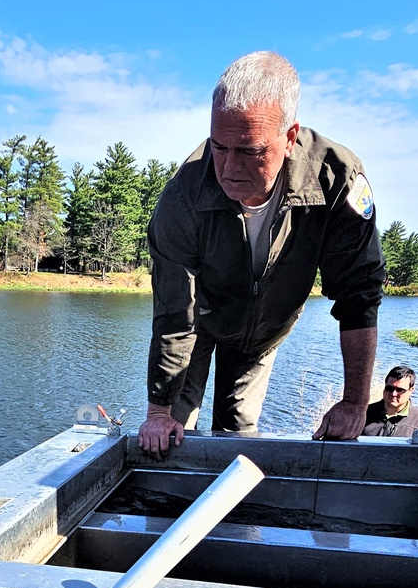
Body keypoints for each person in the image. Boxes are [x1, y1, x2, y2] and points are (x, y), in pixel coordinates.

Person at [138, 52, 385, 458]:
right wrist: (158, 411)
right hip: (197, 323)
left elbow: (358, 295)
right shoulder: (184, 193)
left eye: (249, 150)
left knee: (237, 441)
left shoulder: (337, 179)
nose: (230, 168)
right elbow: (173, 312)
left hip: (265, 331)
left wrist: (355, 403)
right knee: (171, 435)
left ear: (290, 137)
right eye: (220, 147)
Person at [362, 366, 418, 437]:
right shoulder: (364, 414)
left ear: (411, 390)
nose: (393, 394)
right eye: (389, 388)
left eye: (400, 390)